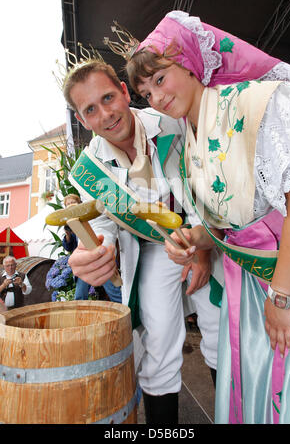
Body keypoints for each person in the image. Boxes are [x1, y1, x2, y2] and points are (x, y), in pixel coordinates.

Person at [124, 10, 290, 423]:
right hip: (246, 288)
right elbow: (233, 222)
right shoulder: (189, 135)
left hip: (285, 276)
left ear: (189, 60)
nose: (156, 97)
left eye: (160, 78)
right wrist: (196, 238)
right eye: (146, 93)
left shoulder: (259, 102)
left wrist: (282, 296)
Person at [60, 49, 222, 423]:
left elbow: (205, 175)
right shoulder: (90, 168)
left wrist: (201, 245)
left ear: (123, 90)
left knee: (217, 325)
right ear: (81, 119)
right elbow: (102, 226)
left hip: (202, 235)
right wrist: (98, 253)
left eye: (108, 98)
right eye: (90, 110)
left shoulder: (171, 120)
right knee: (159, 345)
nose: (106, 114)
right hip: (151, 250)